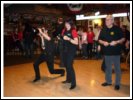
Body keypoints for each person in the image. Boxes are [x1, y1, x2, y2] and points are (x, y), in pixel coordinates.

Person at [98, 15, 125, 90]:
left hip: (116, 52)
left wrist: (116, 41)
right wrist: (103, 43)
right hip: (107, 52)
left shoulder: (117, 29)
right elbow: (99, 39)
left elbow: (123, 38)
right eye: (106, 20)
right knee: (108, 68)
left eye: (108, 20)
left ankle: (117, 83)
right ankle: (108, 81)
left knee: (117, 69)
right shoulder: (103, 29)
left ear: (112, 21)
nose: (107, 21)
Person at [62, 19, 78, 90]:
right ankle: (68, 80)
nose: (66, 25)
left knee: (69, 65)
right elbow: (62, 38)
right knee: (66, 65)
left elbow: (76, 42)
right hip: (65, 50)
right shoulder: (64, 30)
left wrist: (68, 38)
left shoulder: (73, 31)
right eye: (65, 23)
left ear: (71, 24)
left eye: (68, 23)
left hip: (71, 50)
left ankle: (73, 83)